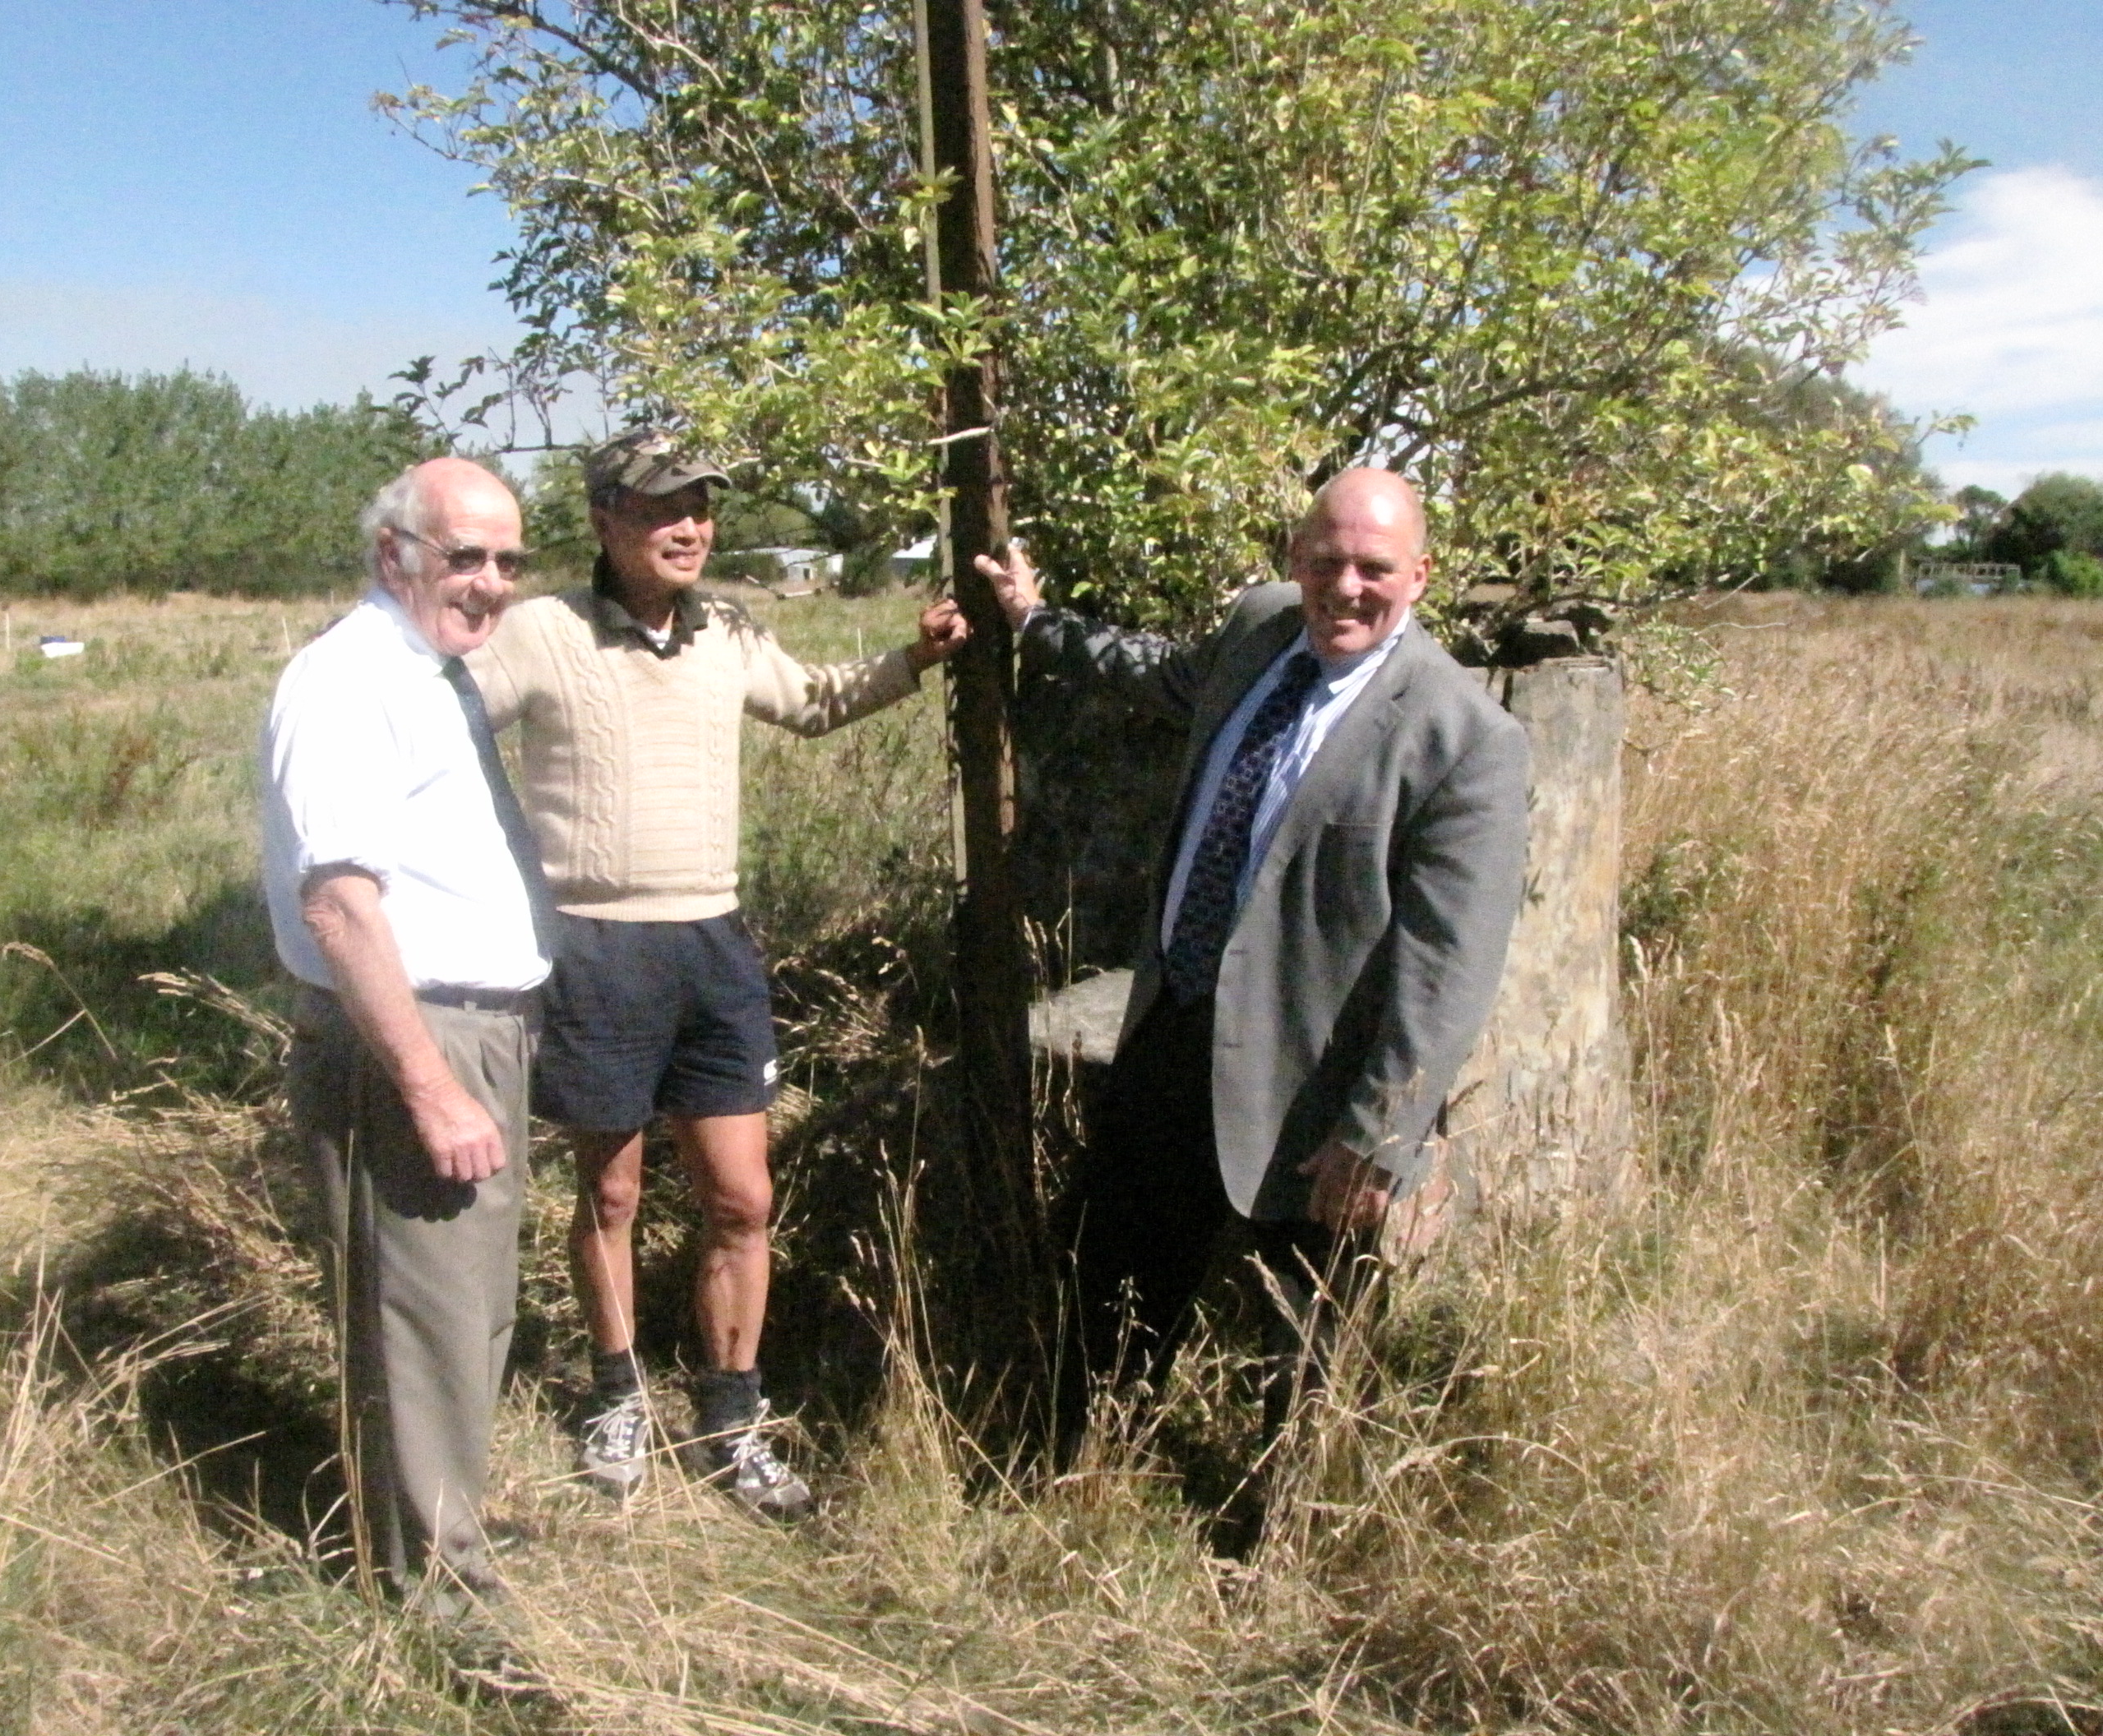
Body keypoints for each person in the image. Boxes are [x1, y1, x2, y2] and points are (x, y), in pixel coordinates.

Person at [976, 466, 1529, 1452]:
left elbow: (1444, 965)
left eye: (1372, 568)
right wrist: (1032, 620)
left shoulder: (1462, 737)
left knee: (1299, 1345)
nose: (1345, 587)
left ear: (1419, 577)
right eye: (1326, 562)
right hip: (1172, 1032)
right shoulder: (1260, 630)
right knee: (1109, 1276)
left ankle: (1268, 1549)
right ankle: (1071, 1476)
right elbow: (1158, 676)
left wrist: (1376, 1134)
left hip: (1310, 1090)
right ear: (1293, 560)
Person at [469, 427, 968, 1516]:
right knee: (611, 1189)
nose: (689, 526)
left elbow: (816, 702)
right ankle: (616, 1396)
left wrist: (917, 658)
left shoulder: (729, 629)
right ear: (604, 520)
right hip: (593, 946)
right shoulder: (540, 633)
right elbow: (442, 722)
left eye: (701, 506)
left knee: (742, 1197)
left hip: (714, 948)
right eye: (662, 507)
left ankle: (733, 1419)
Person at [261, 456, 552, 1607]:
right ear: (395, 555)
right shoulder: (345, 682)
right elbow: (339, 902)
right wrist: (431, 1086)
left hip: (473, 1029)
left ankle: (447, 1533)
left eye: (508, 562)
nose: (489, 584)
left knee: (468, 1310)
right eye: (464, 556)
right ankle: (435, 1598)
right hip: (412, 1040)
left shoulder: (425, 670)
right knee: (420, 1324)